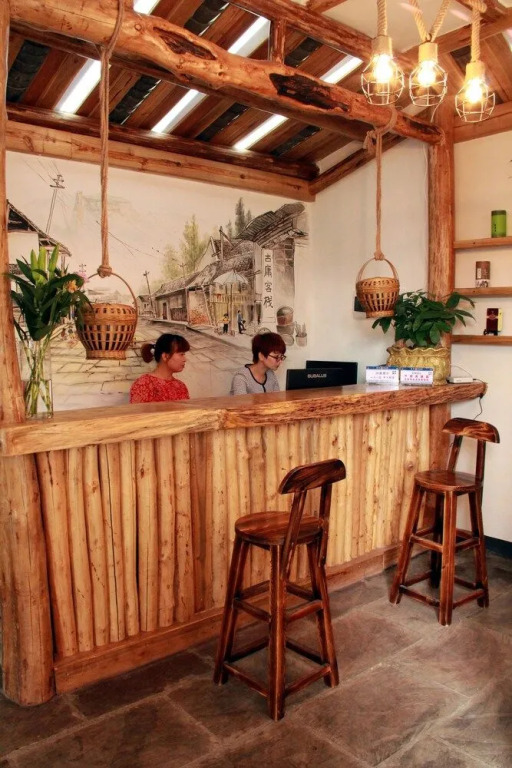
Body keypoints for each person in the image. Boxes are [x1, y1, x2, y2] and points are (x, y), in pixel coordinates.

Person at [130, 333, 190, 403]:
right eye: (181, 354)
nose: (185, 359)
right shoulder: (143, 384)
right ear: (165, 356)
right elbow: (137, 410)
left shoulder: (181, 386)